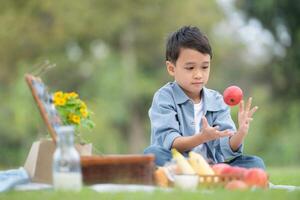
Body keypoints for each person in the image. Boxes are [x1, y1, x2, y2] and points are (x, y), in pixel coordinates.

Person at [144, 26, 265, 169]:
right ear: (171, 68)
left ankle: (210, 177)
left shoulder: (217, 100)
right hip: (179, 164)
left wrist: (240, 133)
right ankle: (195, 177)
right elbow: (170, 142)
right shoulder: (164, 97)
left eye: (204, 67)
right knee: (152, 154)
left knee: (255, 163)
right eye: (190, 68)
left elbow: (226, 147)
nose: (198, 75)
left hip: (211, 166)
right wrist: (201, 137)